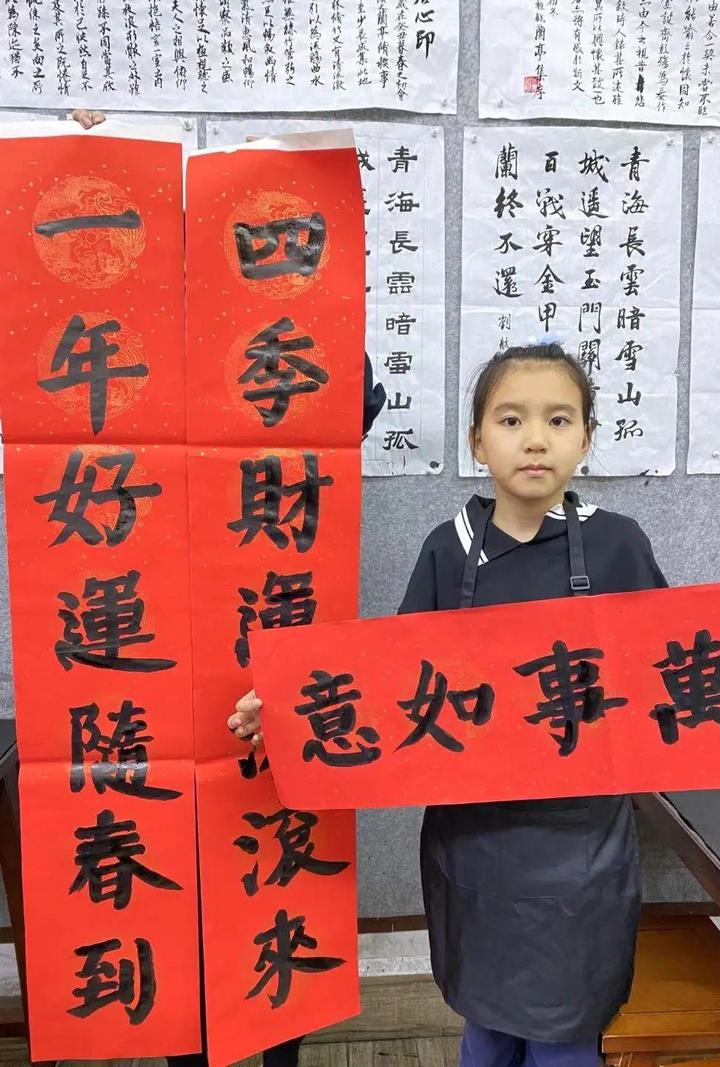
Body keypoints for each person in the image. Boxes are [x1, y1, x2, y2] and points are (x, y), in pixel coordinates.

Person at [234, 341, 720, 1067]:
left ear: (586, 438)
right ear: (477, 441)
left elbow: (671, 669)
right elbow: (386, 685)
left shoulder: (618, 545)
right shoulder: (447, 550)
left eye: (559, 419)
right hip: (474, 846)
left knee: (565, 1039)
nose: (535, 438)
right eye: (511, 420)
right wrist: (283, 710)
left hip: (582, 851)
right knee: (487, 1031)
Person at [69, 104, 385, 1067]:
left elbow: (351, 397)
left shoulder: (271, 351)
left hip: (260, 665)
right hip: (146, 662)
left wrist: (298, 251)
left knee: (268, 886)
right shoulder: (117, 356)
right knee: (171, 888)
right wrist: (87, 165)